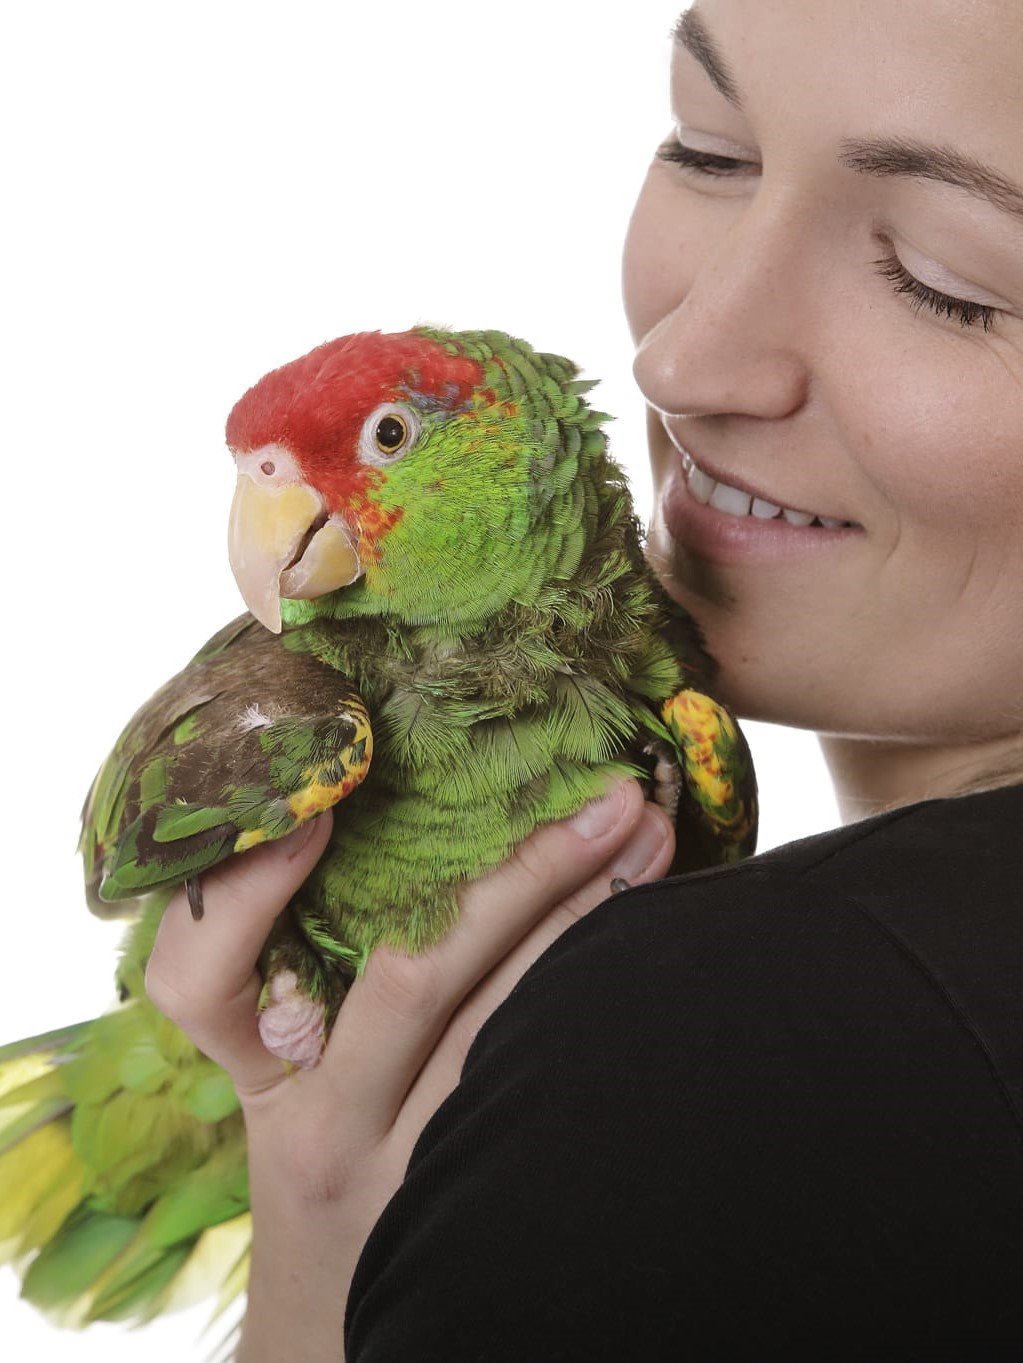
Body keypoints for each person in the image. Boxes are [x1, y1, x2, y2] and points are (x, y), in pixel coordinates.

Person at [144, 1, 1023, 1357]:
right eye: (708, 148)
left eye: (940, 279)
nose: (677, 361)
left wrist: (323, 1284)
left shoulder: (710, 1037)